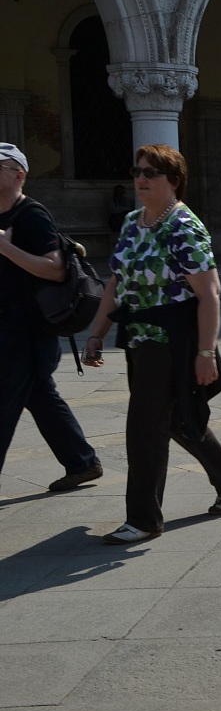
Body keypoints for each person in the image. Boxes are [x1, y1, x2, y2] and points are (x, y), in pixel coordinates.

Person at [83, 144, 221, 544]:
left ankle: (143, 520)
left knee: (144, 428)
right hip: (140, 337)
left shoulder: (183, 226)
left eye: (151, 173)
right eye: (137, 170)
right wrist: (96, 332)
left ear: (173, 181)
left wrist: (205, 353)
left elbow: (209, 294)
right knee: (174, 419)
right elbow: (117, 282)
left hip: (173, 340)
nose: (141, 178)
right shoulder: (131, 223)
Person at [0, 142, 103, 492]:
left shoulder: (31, 215)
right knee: (40, 395)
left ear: (19, 175)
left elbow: (56, 270)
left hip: (26, 329)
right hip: (6, 325)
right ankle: (82, 462)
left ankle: (82, 462)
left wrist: (5, 246)